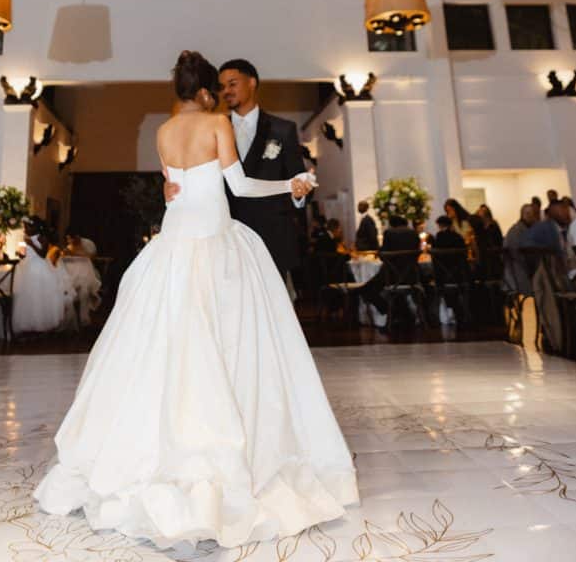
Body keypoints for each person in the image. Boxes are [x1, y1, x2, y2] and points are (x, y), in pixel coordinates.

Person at [35, 50, 358, 548]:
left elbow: (173, 189)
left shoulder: (163, 131)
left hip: (173, 244)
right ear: (207, 91)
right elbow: (240, 186)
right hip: (216, 240)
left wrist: (173, 188)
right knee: (230, 343)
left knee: (166, 346)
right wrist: (288, 183)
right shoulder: (216, 123)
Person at [166, 58, 313, 283]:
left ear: (252, 82)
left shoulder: (283, 129)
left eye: (232, 84)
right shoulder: (213, 125)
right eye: (222, 86)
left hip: (271, 235)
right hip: (224, 236)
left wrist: (298, 193)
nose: (226, 91)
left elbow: (298, 177)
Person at [12, 216, 72, 335]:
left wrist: (31, 244)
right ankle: (29, 326)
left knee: (39, 298)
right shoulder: (27, 238)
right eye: (24, 227)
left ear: (35, 227)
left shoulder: (41, 237)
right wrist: (21, 254)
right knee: (29, 297)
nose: (25, 229)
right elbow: (27, 254)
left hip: (40, 269)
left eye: (27, 226)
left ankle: (41, 327)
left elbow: (43, 254)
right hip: (28, 269)